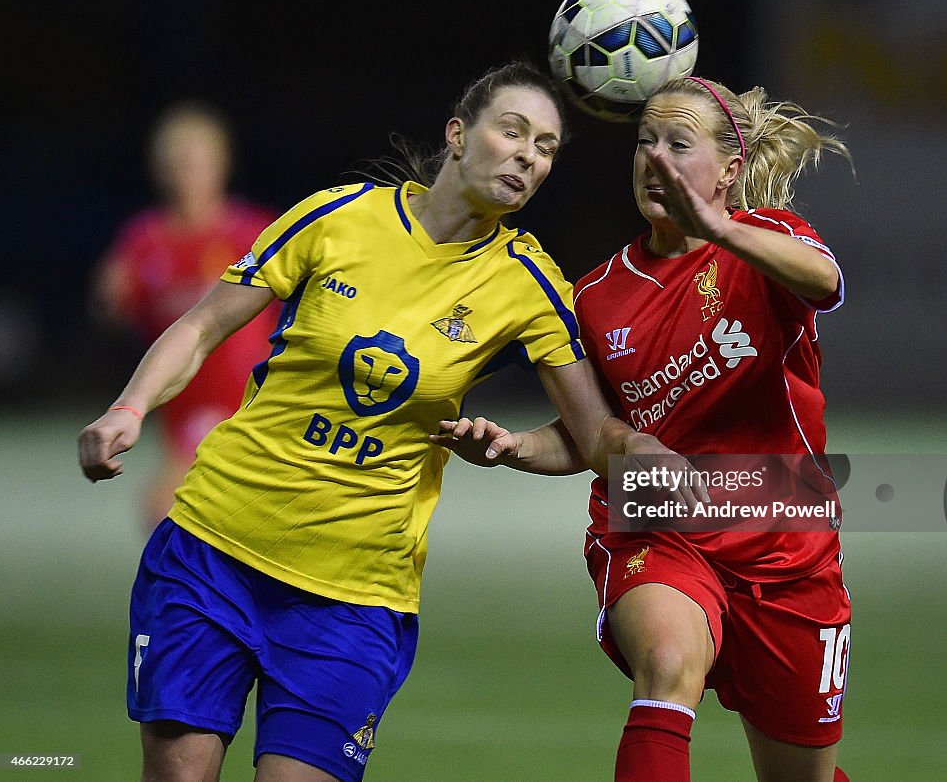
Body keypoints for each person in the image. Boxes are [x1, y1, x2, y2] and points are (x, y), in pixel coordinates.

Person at [77, 60, 697, 782]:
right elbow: (202, 326)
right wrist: (129, 408)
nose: (530, 155)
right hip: (214, 547)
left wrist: (640, 452)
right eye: (514, 131)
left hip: (354, 598)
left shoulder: (528, 283)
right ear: (458, 135)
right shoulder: (339, 215)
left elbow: (593, 434)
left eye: (549, 147)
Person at [434, 75, 854, 782]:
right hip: (656, 520)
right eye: (644, 141)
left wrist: (724, 231)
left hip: (785, 537)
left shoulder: (770, 241)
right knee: (666, 662)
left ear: (730, 170)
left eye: (678, 144)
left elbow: (825, 283)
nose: (654, 159)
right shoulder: (594, 296)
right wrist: (516, 448)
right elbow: (591, 434)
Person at [90, 101, 278, 530]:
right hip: (181, 407)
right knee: (175, 519)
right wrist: (108, 301)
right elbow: (113, 309)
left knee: (171, 514)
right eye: (175, 164)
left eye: (196, 163)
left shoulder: (251, 231)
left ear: (221, 165)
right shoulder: (144, 240)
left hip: (249, 403)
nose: (185, 175)